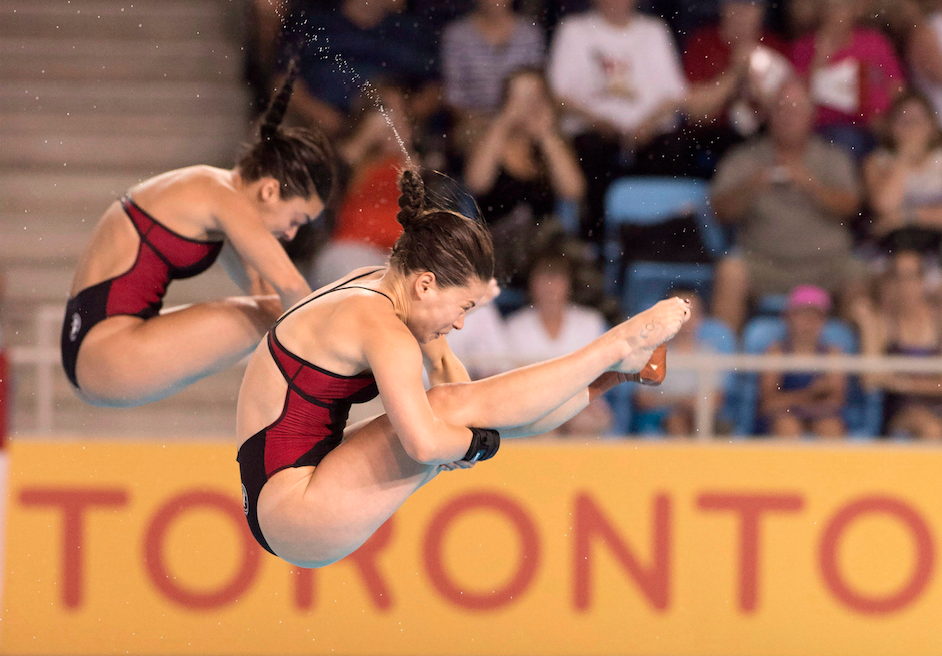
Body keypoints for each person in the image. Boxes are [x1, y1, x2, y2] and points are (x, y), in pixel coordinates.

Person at [236, 168, 686, 566]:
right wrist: (475, 445)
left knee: (455, 412)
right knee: (446, 419)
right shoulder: (382, 327)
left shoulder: (384, 289)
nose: (461, 322)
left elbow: (460, 393)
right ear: (427, 283)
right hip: (296, 511)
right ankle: (616, 344)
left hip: (288, 491)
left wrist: (468, 439)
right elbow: (425, 441)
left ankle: (622, 369)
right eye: (462, 307)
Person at [60, 61, 335, 408]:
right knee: (303, 315)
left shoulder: (214, 195)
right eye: (296, 218)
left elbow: (264, 291)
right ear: (268, 190)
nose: (292, 234)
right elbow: (293, 288)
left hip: (94, 353)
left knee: (281, 318)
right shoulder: (220, 194)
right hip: (107, 353)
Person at [710, 77, 863, 332]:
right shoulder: (745, 158)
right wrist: (752, 186)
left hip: (825, 265)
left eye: (795, 109)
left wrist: (812, 185)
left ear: (811, 116)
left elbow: (852, 207)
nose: (787, 117)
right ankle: (724, 368)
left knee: (857, 273)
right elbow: (720, 212)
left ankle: (848, 366)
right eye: (780, 108)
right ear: (768, 115)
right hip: (765, 264)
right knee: (730, 271)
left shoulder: (832, 157)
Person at [464, 68, 586, 284]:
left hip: (547, 251)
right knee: (553, 248)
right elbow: (477, 182)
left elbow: (573, 190)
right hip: (498, 247)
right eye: (519, 97)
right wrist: (502, 124)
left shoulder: (552, 145)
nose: (527, 106)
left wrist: (546, 135)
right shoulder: (489, 140)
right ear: (505, 102)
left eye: (534, 98)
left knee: (565, 257)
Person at [504, 252, 613, 435]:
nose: (550, 288)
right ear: (532, 285)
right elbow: (510, 379)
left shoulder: (590, 321)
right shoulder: (515, 326)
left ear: (568, 285)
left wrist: (579, 400)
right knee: (543, 430)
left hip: (582, 401)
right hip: (532, 405)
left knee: (587, 423)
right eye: (544, 281)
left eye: (556, 281)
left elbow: (603, 371)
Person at [790, 0, 906, 158]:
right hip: (832, 128)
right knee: (848, 142)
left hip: (880, 125)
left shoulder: (875, 42)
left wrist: (888, 121)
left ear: (855, 10)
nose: (834, 13)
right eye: (829, 6)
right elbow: (797, 97)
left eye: (841, 6)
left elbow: (897, 87)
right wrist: (820, 59)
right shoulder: (805, 47)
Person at [852, 250, 942, 440]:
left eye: (911, 277)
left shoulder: (938, 321)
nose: (905, 285)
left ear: (922, 280)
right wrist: (867, 325)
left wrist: (903, 383)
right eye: (898, 278)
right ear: (889, 282)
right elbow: (870, 379)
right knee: (932, 430)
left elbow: (888, 379)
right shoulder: (881, 323)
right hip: (902, 411)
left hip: (936, 405)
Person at [633, 289, 733, 436]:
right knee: (676, 420)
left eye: (691, 312)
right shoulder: (651, 354)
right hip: (660, 418)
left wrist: (681, 403)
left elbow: (716, 400)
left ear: (701, 316)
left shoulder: (709, 353)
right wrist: (682, 402)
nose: (685, 319)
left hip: (699, 417)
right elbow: (643, 400)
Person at [441, 0, 545, 130]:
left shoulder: (530, 33)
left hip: (522, 121)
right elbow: (453, 98)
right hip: (474, 123)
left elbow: (537, 87)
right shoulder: (457, 35)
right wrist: (493, 125)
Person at [760, 285, 847, 439]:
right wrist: (812, 393)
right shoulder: (776, 354)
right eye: (802, 315)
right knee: (786, 427)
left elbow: (836, 401)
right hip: (785, 415)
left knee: (831, 428)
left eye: (815, 316)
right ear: (788, 318)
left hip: (821, 414)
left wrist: (795, 400)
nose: (809, 323)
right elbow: (768, 404)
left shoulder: (833, 354)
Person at [864, 92, 942, 251]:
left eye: (917, 119)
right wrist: (903, 159)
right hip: (898, 243)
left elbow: (892, 217)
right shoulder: (876, 162)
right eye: (903, 120)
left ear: (932, 125)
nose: (911, 126)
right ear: (890, 126)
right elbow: (885, 206)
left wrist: (905, 217)